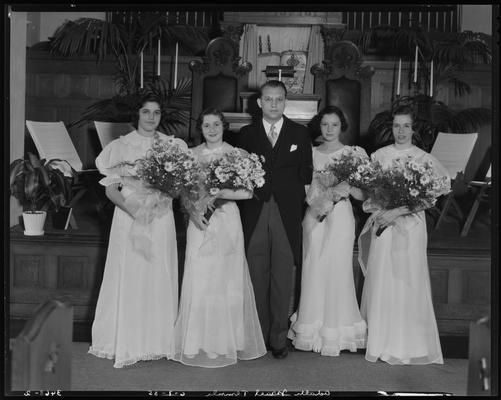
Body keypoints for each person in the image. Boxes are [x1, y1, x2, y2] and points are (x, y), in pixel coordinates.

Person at [88, 93, 186, 368]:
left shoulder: (172, 145)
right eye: (146, 112)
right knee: (130, 271)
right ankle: (129, 340)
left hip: (160, 215)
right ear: (137, 115)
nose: (151, 117)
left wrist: (161, 197)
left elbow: (179, 187)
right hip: (129, 215)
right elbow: (110, 190)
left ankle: (157, 340)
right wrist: (134, 210)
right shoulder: (120, 146)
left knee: (158, 270)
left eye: (156, 112)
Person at [172, 108, 266, 368]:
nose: (211, 129)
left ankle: (226, 341)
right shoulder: (190, 155)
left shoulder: (237, 155)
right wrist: (192, 212)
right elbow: (183, 193)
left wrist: (217, 192)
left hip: (227, 220)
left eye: (216, 124)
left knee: (227, 278)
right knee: (200, 276)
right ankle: (196, 341)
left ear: (224, 127)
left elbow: (248, 194)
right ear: (199, 129)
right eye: (206, 125)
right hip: (199, 221)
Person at [359, 105, 450, 365]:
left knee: (409, 279)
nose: (401, 131)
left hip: (410, 228)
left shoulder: (424, 159)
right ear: (392, 128)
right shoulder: (378, 156)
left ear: (414, 129)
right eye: (396, 126)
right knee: (383, 278)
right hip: (385, 225)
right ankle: (381, 340)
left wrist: (398, 211)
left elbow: (429, 199)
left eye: (406, 126)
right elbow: (370, 195)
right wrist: (382, 212)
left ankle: (410, 341)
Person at [237, 80, 313, 359]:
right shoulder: (246, 134)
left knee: (282, 274)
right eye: (268, 99)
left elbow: (307, 172)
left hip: (286, 211)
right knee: (256, 273)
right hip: (255, 209)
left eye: (278, 99)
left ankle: (279, 337)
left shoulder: (300, 133)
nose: (273, 104)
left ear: (285, 102)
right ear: (259, 103)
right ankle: (257, 334)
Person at [287, 106, 367, 356]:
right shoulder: (309, 153)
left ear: (342, 126)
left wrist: (344, 191)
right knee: (313, 267)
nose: (330, 129)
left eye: (334, 124)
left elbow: (363, 193)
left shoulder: (354, 154)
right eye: (325, 125)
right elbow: (301, 187)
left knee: (337, 268)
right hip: (314, 216)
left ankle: (337, 331)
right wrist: (318, 198)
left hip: (341, 216)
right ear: (319, 127)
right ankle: (310, 331)